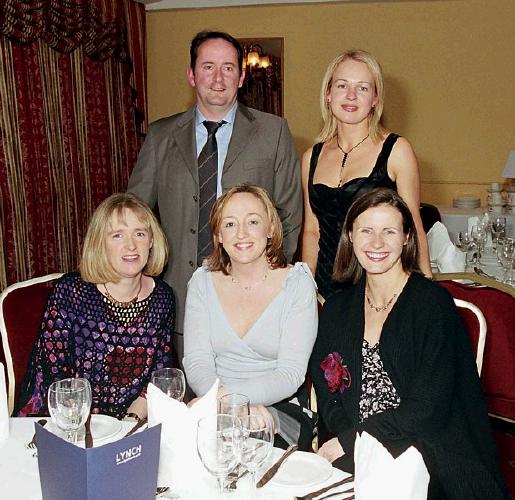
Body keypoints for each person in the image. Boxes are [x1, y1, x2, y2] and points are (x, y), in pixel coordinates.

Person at [309, 188, 508, 499]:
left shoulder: (432, 306)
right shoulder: (338, 308)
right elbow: (328, 389)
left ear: (406, 237)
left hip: (430, 450)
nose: (376, 243)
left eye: (389, 231)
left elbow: (426, 410)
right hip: (360, 448)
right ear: (350, 235)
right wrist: (354, 445)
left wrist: (350, 441)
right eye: (366, 230)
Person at [128, 30, 302, 344]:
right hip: (175, 301)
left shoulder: (273, 132)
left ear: (241, 76)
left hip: (252, 303)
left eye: (228, 67)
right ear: (192, 75)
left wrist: (268, 284)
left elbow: (288, 215)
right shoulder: (160, 136)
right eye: (208, 67)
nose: (218, 77)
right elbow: (134, 216)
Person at [16, 193, 175, 420]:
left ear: (151, 241)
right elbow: (56, 376)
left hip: (128, 425)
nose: (131, 245)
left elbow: (157, 379)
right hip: (61, 421)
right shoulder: (71, 292)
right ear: (100, 243)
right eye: (117, 235)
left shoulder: (163, 297)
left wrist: (129, 424)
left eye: (139, 234)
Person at [183, 184, 317, 450]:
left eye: (253, 221)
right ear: (219, 235)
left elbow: (290, 374)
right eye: (230, 224)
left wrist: (229, 401)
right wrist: (227, 406)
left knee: (251, 446)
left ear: (270, 229)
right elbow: (197, 362)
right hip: (211, 399)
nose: (241, 233)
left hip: (279, 404)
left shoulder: (297, 283)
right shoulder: (202, 282)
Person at [301, 49, 431, 299]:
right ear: (328, 94)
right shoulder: (310, 157)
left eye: (362, 88)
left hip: (381, 291)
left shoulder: (396, 150)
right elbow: (312, 231)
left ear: (375, 99)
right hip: (325, 294)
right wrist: (304, 289)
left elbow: (413, 225)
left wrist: (426, 290)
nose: (351, 96)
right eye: (342, 85)